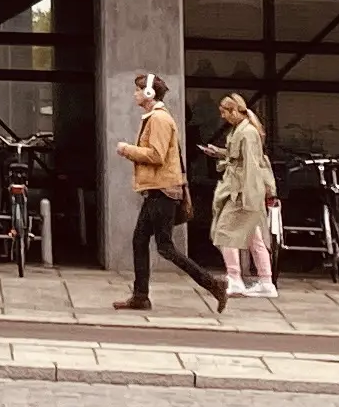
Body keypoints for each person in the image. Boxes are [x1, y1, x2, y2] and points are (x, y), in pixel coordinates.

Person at [111, 71, 230, 314]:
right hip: (157, 189)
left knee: (166, 247)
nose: (134, 94)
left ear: (149, 93)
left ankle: (213, 284)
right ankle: (140, 296)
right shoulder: (154, 118)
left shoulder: (159, 120)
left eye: (138, 90)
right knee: (140, 240)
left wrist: (127, 150)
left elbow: (156, 155)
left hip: (163, 190)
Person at [208, 90, 279, 299]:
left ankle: (235, 278)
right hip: (247, 191)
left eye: (224, 112)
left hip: (241, 191)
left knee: (225, 232)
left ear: (232, 111)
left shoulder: (246, 133)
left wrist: (248, 196)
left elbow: (251, 166)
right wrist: (220, 153)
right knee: (253, 237)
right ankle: (266, 281)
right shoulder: (245, 130)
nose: (222, 116)